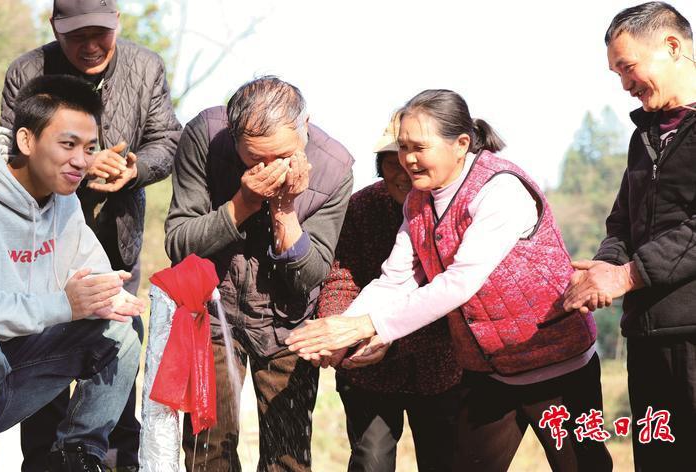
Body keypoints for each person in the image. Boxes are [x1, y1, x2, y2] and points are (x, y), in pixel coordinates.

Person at [287, 89, 613, 471]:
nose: (408, 159)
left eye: (418, 148)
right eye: (402, 148)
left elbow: (459, 282)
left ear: (460, 144)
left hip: (556, 363)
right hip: (490, 372)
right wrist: (342, 332)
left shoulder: (501, 189)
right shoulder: (418, 201)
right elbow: (396, 279)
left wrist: (367, 325)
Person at [0, 0, 181, 469]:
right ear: (55, 28)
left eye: (100, 32)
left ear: (118, 22)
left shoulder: (146, 67)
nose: (91, 45)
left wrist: (133, 169)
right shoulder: (27, 72)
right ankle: (45, 462)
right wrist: (77, 166)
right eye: (77, 35)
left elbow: (168, 140)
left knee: (120, 337)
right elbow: (19, 155)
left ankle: (92, 458)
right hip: (32, 252)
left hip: (111, 240)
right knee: (35, 363)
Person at [165, 76, 354, 471]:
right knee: (206, 450)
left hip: (289, 325)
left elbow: (312, 274)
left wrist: (284, 210)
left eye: (283, 155)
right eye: (255, 159)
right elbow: (179, 243)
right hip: (212, 314)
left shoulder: (335, 168)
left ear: (305, 127)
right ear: (234, 137)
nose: (271, 168)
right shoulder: (206, 136)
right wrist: (243, 203)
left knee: (287, 457)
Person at [562, 2, 696, 470]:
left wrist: (627, 276)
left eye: (628, 67)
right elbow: (621, 222)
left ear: (672, 46)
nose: (624, 84)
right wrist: (604, 267)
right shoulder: (644, 137)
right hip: (646, 337)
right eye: (617, 73)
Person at [0, 75, 144, 472]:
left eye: (90, 148)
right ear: (27, 141)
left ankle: (76, 457)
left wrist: (111, 296)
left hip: (18, 366)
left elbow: (91, 269)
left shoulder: (65, 200)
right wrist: (64, 305)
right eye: (68, 144)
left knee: (121, 329)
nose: (81, 161)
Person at [315, 115, 463, 471]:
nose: (403, 171)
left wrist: (389, 337)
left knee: (445, 462)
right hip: (367, 369)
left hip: (443, 368)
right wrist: (338, 332)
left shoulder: (458, 211)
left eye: (412, 158)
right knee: (371, 461)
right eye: (392, 160)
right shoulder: (361, 207)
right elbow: (341, 278)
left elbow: (457, 297)